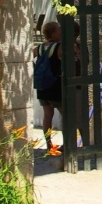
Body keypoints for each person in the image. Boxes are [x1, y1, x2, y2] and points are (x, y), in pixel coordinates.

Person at [35, 21, 63, 152]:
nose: (60, 32)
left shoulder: (39, 48)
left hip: (42, 86)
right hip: (54, 85)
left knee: (47, 115)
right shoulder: (58, 47)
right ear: (53, 33)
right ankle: (67, 144)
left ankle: (48, 143)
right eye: (58, 30)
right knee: (65, 115)